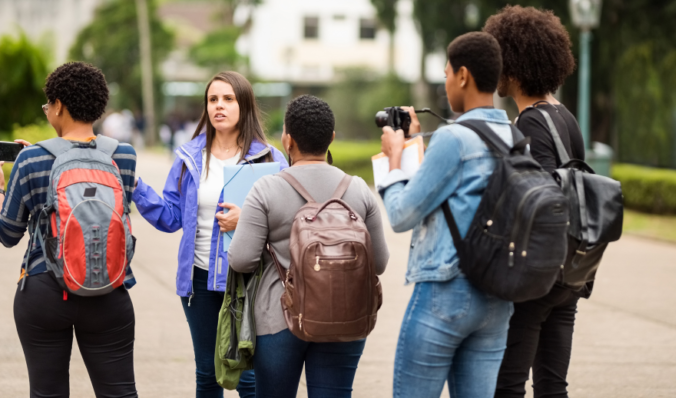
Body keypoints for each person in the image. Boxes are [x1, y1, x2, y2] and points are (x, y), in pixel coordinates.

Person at [132, 71, 288, 398]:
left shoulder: (271, 159)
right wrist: (136, 187)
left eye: (228, 99)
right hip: (199, 281)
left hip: (250, 281)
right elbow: (171, 217)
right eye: (213, 99)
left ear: (244, 105)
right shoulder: (189, 157)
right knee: (207, 375)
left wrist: (249, 220)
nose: (219, 106)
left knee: (248, 377)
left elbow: (290, 221)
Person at [378, 32, 514, 398]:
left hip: (447, 291)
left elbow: (401, 214)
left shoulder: (455, 138)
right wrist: (418, 146)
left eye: (446, 74)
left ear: (464, 76)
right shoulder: (515, 137)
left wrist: (394, 158)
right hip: (498, 299)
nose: (446, 82)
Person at [228, 94, 390, 398]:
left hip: (278, 318)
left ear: (287, 140)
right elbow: (378, 263)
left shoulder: (266, 189)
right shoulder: (358, 190)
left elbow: (240, 260)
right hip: (346, 316)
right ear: (331, 138)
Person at [0, 62, 139, 398]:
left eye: (48, 105)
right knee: (119, 392)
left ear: (59, 105)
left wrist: (7, 186)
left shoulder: (30, 159)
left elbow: (8, 234)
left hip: (44, 290)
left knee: (47, 393)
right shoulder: (124, 155)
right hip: (109, 286)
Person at [483, 5, 584, 398]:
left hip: (540, 275)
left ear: (513, 66)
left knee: (507, 386)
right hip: (570, 272)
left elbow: (540, 199)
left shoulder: (529, 124)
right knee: (552, 387)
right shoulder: (565, 117)